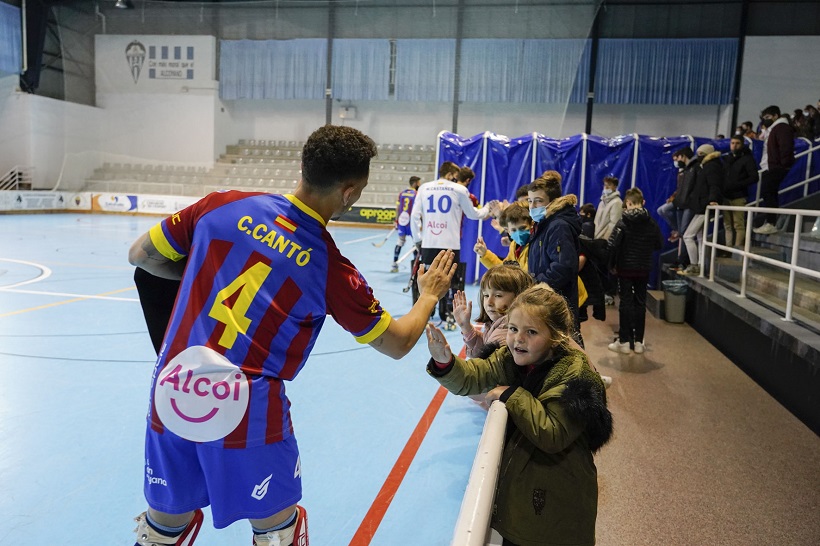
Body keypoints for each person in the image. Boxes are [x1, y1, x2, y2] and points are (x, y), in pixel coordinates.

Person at [126, 125, 457, 546]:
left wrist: (197, 277)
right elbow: (397, 343)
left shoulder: (221, 205)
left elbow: (142, 257)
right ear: (351, 192)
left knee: (162, 528)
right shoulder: (330, 268)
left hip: (174, 386)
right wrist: (428, 296)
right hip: (245, 407)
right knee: (276, 533)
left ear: (302, 167)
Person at [425, 283, 612, 546]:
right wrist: (446, 362)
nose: (517, 339)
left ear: (556, 337)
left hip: (558, 503)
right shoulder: (509, 356)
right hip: (527, 496)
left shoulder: (574, 375)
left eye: (531, 332)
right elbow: (474, 376)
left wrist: (512, 396)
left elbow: (552, 433)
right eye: (513, 329)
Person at [410, 162, 498, 324]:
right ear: (451, 175)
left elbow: (414, 216)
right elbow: (473, 214)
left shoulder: (424, 188)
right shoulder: (459, 190)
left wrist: (417, 240)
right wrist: (487, 208)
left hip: (429, 243)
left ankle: (426, 312)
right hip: (450, 243)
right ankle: (447, 315)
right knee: (448, 280)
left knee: (427, 277)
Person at [526, 172, 582, 343]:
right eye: (530, 201)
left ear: (553, 201)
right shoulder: (544, 223)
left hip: (558, 301)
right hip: (546, 299)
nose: (532, 206)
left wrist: (537, 285)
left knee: (568, 347)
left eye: (538, 201)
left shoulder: (558, 225)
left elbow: (563, 267)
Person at [606, 188, 663, 354]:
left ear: (628, 203)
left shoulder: (623, 222)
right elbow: (659, 244)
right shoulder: (651, 222)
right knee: (640, 303)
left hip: (625, 269)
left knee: (625, 303)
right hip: (643, 268)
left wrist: (611, 265)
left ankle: (623, 341)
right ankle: (638, 342)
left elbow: (612, 245)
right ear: (642, 202)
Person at [453, 263, 534, 360]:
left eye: (498, 295)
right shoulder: (497, 324)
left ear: (519, 297)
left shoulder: (506, 332)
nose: (489, 303)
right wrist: (465, 327)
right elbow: (485, 346)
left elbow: (485, 367)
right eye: (486, 295)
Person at [679, 144, 724, 276]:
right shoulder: (709, 166)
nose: (698, 156)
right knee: (699, 237)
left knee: (688, 236)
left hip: (704, 207)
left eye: (700, 154)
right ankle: (700, 265)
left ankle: (694, 265)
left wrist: (712, 200)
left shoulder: (710, 167)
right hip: (703, 205)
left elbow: (713, 185)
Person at [753, 105, 795, 235]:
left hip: (775, 167)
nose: (765, 120)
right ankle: (770, 222)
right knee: (768, 194)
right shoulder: (773, 129)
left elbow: (785, 147)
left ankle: (771, 223)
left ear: (776, 115)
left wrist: (782, 164)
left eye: (767, 117)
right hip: (770, 166)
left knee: (768, 193)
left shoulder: (781, 128)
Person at [722, 135, 759, 248]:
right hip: (726, 196)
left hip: (739, 196)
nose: (734, 145)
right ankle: (728, 248)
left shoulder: (748, 159)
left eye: (737, 143)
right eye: (732, 143)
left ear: (742, 144)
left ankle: (736, 249)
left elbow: (754, 177)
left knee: (738, 224)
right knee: (727, 225)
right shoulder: (727, 159)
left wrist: (737, 185)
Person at [472, 202, 532, 270]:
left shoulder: (535, 245)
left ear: (531, 225)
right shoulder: (514, 245)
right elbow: (504, 269)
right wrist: (485, 254)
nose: (518, 233)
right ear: (508, 231)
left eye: (522, 228)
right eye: (514, 230)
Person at [391, 175, 421, 272]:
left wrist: (396, 220)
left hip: (402, 221)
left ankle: (394, 265)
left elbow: (397, 208)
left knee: (400, 242)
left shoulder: (402, 193)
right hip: (412, 222)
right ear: (416, 183)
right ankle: (415, 269)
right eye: (419, 183)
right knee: (416, 243)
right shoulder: (417, 194)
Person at [593, 176, 623, 241]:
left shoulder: (617, 202)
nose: (606, 187)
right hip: (597, 238)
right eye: (605, 185)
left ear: (615, 187)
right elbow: (597, 221)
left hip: (605, 241)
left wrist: (605, 240)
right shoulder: (602, 202)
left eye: (609, 185)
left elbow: (614, 224)